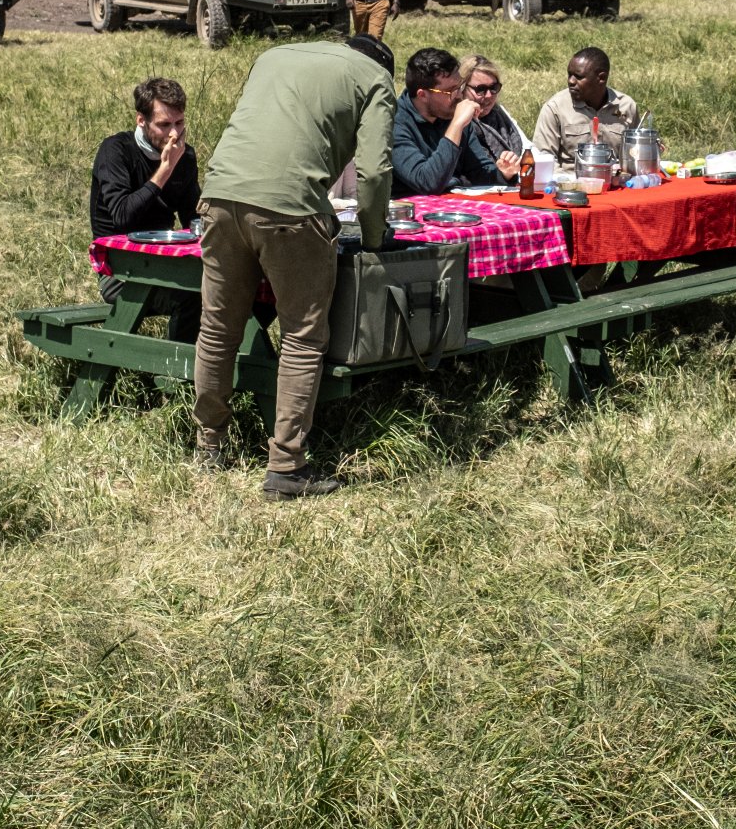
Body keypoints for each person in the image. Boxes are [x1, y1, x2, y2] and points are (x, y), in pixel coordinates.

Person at [193, 34, 396, 497]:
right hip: (292, 208)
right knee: (302, 339)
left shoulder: (274, 54)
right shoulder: (375, 78)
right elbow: (374, 171)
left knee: (218, 330)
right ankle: (286, 466)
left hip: (221, 195)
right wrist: (373, 238)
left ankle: (209, 445)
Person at [91, 76, 200, 238]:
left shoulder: (184, 155)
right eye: (164, 124)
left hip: (162, 243)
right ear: (141, 120)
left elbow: (193, 219)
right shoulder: (116, 150)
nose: (174, 134)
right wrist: (166, 169)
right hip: (117, 245)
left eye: (179, 123)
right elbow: (122, 218)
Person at [392, 46, 509, 195]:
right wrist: (456, 125)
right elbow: (427, 183)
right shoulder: (394, 123)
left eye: (460, 87)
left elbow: (480, 172)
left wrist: (504, 174)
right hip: (409, 205)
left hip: (452, 202)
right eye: (450, 91)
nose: (459, 95)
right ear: (422, 95)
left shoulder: (450, 113)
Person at [534, 45, 640, 163]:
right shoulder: (555, 108)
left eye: (579, 77)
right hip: (569, 174)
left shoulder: (626, 106)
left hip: (615, 173)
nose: (571, 81)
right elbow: (542, 158)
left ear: (601, 78)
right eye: (569, 75)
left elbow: (636, 153)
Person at [462, 54, 530, 175]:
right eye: (480, 89)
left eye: (494, 87)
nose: (489, 95)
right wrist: (502, 174)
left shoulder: (500, 112)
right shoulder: (458, 123)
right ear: (462, 88)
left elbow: (528, 149)